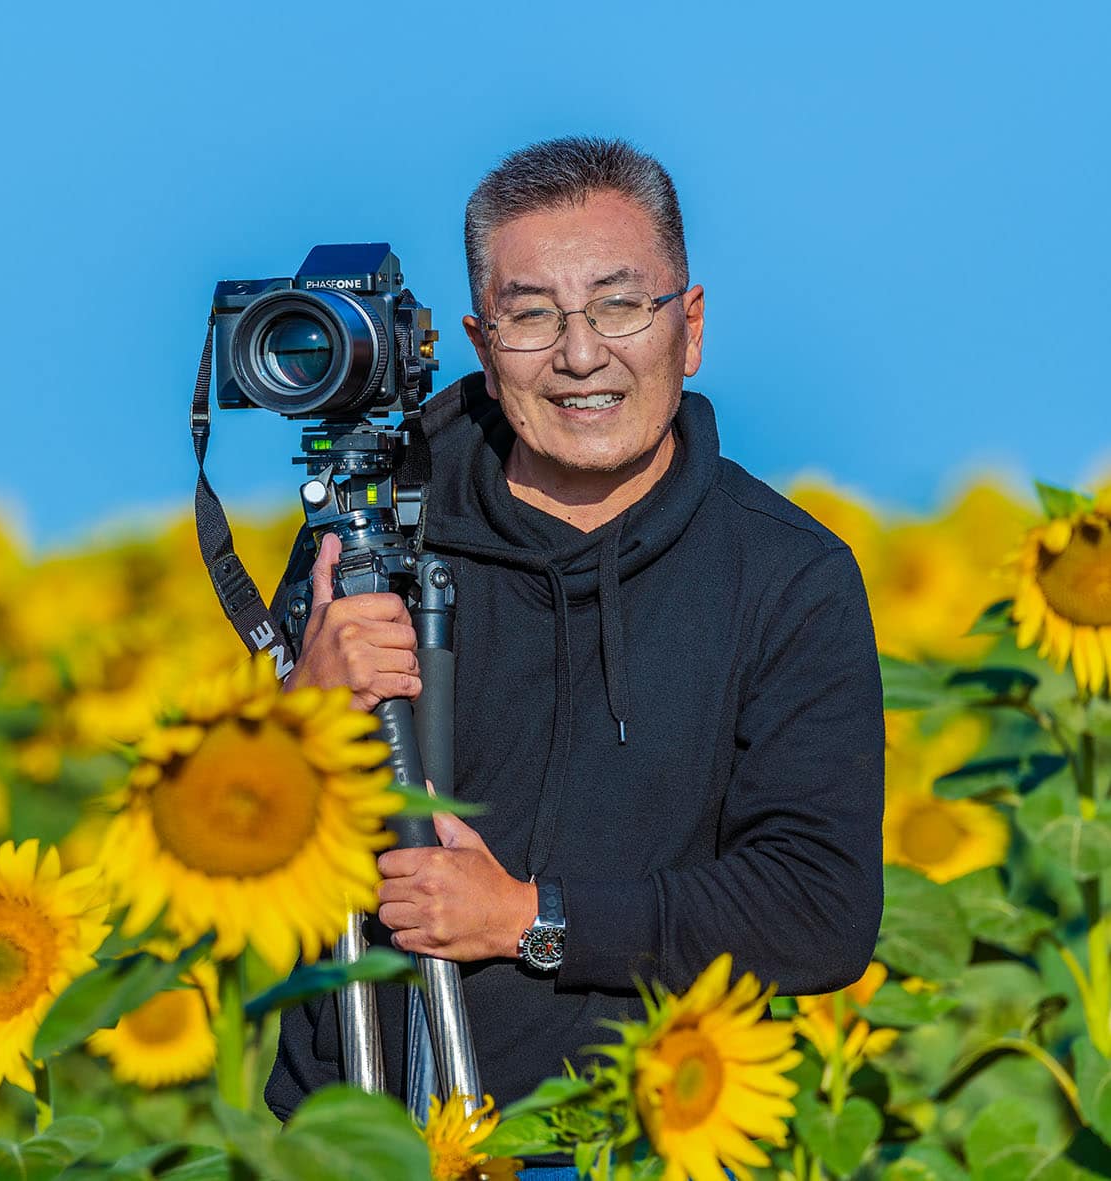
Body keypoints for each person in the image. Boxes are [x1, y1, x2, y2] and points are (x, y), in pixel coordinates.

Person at [262, 137, 885, 1131]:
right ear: (476, 338)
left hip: (624, 1137)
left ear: (687, 328)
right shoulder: (364, 538)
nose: (579, 353)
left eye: (617, 304)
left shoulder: (785, 576)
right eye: (531, 316)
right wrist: (297, 720)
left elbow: (816, 909)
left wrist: (528, 917)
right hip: (348, 1135)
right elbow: (233, 857)